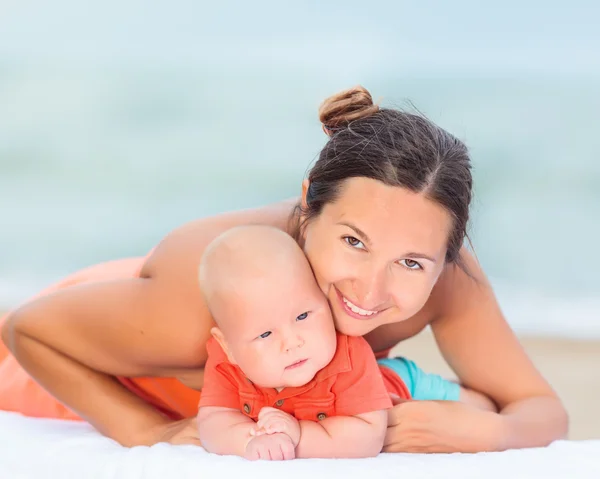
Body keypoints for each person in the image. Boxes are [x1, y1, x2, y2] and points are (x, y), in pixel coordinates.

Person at [0, 86, 568, 453]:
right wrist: (145, 431)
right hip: (99, 337)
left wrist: (496, 431)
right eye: (353, 241)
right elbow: (28, 329)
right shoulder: (199, 303)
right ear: (307, 205)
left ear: (447, 254)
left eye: (412, 262)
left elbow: (541, 409)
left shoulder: (447, 278)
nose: (370, 289)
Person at [196, 225, 494, 460]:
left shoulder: (349, 353)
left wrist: (297, 434)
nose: (292, 342)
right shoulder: (225, 361)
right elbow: (213, 422)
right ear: (229, 347)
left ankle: (476, 397)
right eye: (265, 335)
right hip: (366, 392)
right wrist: (251, 442)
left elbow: (367, 436)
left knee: (478, 410)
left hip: (398, 382)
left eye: (302, 315)